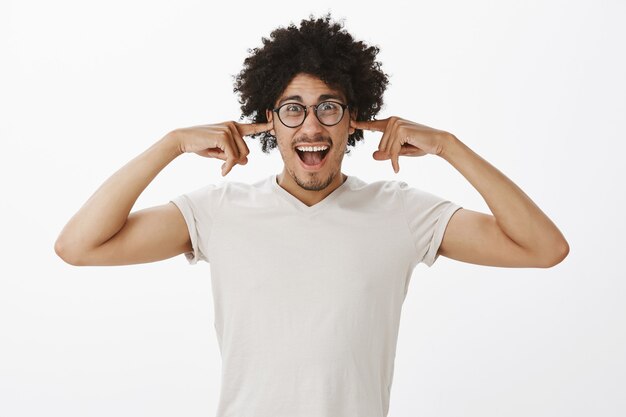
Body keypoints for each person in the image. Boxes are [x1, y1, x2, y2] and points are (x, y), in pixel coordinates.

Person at [55, 13, 569, 417]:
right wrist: (170, 145)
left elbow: (544, 249)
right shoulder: (218, 211)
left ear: (354, 122)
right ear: (269, 125)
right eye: (292, 108)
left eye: (329, 107)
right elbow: (79, 246)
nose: (311, 126)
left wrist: (449, 147)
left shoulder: (402, 211)